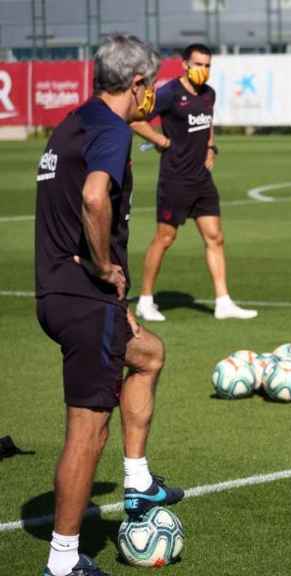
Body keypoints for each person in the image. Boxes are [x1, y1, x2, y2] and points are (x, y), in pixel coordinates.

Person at [35, 34, 184, 576]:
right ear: (138, 85)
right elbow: (95, 196)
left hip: (60, 293)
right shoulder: (112, 131)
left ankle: (139, 483)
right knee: (88, 430)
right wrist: (102, 267)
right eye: (154, 85)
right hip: (82, 298)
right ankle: (63, 561)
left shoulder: (72, 122)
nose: (155, 97)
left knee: (147, 354)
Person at [131, 43, 257, 322]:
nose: (203, 70)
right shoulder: (169, 93)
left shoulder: (208, 94)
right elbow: (135, 119)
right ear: (185, 64)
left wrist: (210, 148)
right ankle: (145, 300)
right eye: (198, 64)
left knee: (215, 237)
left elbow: (207, 124)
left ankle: (223, 302)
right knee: (165, 238)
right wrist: (160, 140)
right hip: (175, 178)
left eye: (208, 65)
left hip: (201, 179)